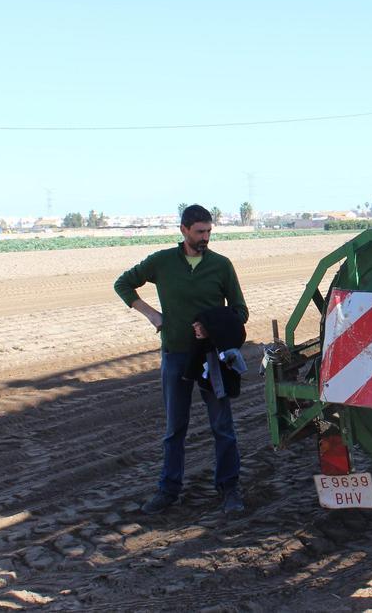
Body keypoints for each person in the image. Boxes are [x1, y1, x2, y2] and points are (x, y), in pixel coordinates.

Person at [114, 204, 249, 515]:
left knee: (222, 427)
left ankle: (229, 488)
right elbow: (123, 284)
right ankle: (168, 490)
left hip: (212, 358)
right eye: (200, 232)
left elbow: (240, 311)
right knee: (175, 428)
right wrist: (152, 315)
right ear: (184, 230)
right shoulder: (162, 262)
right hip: (176, 355)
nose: (205, 238)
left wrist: (212, 326)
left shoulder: (221, 265)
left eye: (209, 232)